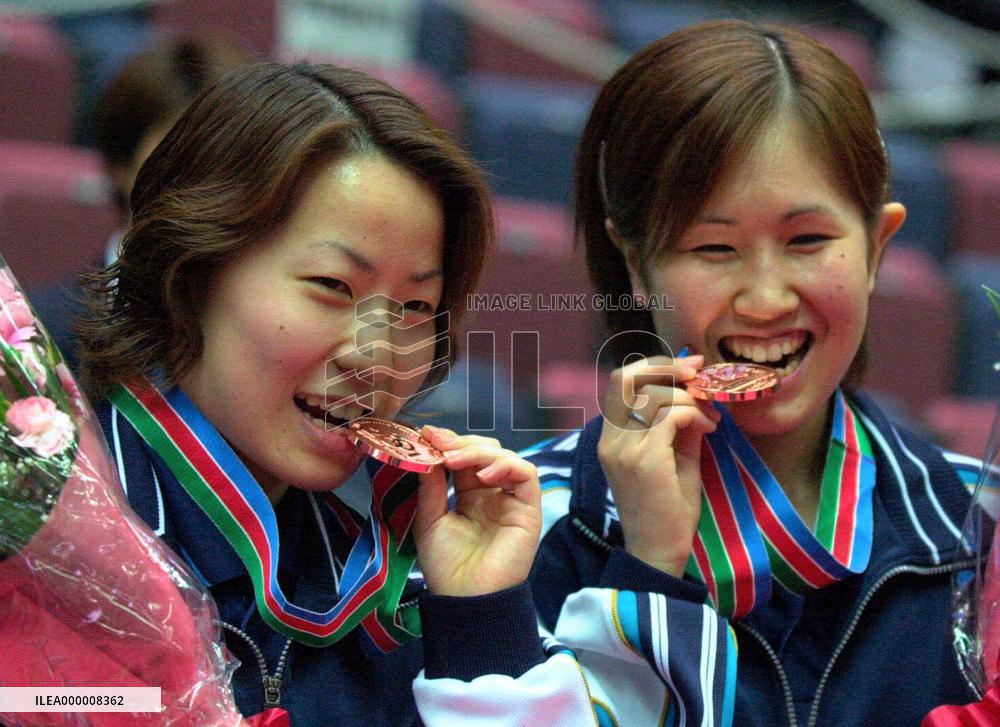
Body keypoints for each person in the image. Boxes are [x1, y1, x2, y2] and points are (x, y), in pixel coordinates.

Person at [76, 62, 599, 725]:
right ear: (193, 271)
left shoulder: (393, 596)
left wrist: (480, 616)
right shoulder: (49, 530)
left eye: (414, 305)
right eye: (332, 285)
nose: (376, 355)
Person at [524, 19, 986, 726]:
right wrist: (646, 570)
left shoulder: (978, 527)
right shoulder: (524, 528)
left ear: (878, 247)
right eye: (714, 247)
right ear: (635, 264)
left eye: (808, 240)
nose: (766, 298)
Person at [31, 32, 250, 373]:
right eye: (176, 154)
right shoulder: (37, 333)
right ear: (121, 164)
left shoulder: (279, 331)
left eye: (226, 155)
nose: (205, 177)